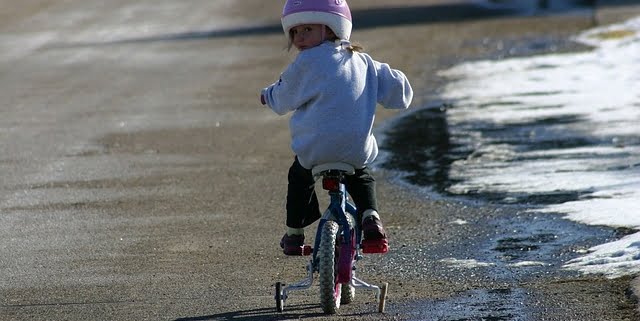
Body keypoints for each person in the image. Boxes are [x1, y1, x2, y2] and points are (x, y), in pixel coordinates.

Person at [260, 0, 413, 256]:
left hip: (314, 151)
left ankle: (295, 234)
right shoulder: (364, 62)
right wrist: (399, 86)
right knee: (361, 175)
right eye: (295, 32)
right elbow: (400, 93)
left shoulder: (306, 63)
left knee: (299, 177)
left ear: (332, 29)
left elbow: (283, 97)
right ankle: (371, 217)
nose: (299, 37)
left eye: (307, 29)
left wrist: (268, 96)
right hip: (355, 150)